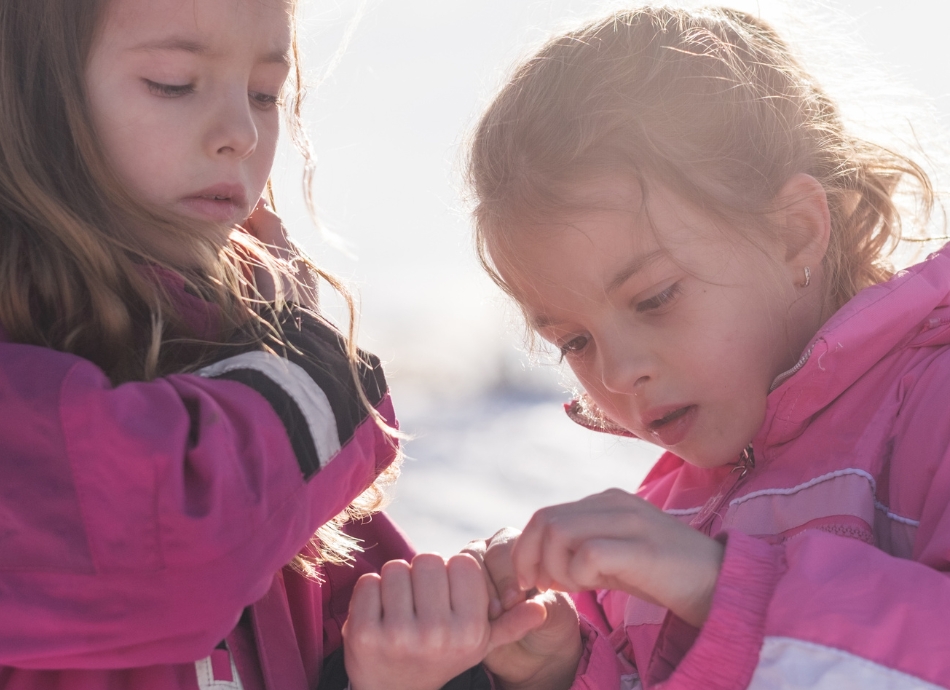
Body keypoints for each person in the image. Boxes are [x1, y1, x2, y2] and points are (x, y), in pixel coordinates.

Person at [0, 1, 531, 688]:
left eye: (264, 93)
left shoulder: (255, 394)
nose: (241, 133)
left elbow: (350, 633)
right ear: (26, 95)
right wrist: (308, 368)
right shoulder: (275, 408)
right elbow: (166, 551)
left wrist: (432, 659)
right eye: (172, 82)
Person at [462, 6, 950, 690]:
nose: (619, 371)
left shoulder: (934, 408)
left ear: (793, 233)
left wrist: (726, 592)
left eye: (655, 298)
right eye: (574, 340)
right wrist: (565, 668)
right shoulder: (668, 512)